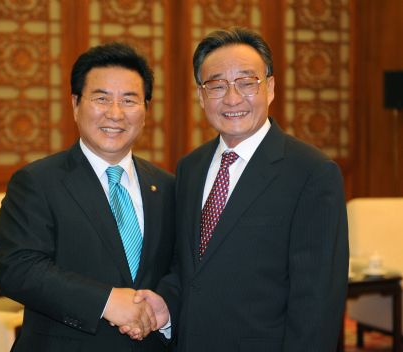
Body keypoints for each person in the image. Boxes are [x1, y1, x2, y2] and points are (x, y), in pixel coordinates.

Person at [138, 27, 349, 351]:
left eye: (247, 82)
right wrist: (165, 304)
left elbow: (318, 299)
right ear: (201, 95)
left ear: (271, 88)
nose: (232, 98)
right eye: (217, 85)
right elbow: (188, 268)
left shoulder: (312, 172)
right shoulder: (190, 168)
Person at [0, 42, 175, 351]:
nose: (115, 113)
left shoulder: (168, 186)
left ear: (146, 110)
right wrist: (105, 302)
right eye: (101, 98)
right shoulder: (37, 181)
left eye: (129, 100)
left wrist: (167, 306)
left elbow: (182, 269)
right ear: (76, 104)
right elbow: (19, 268)